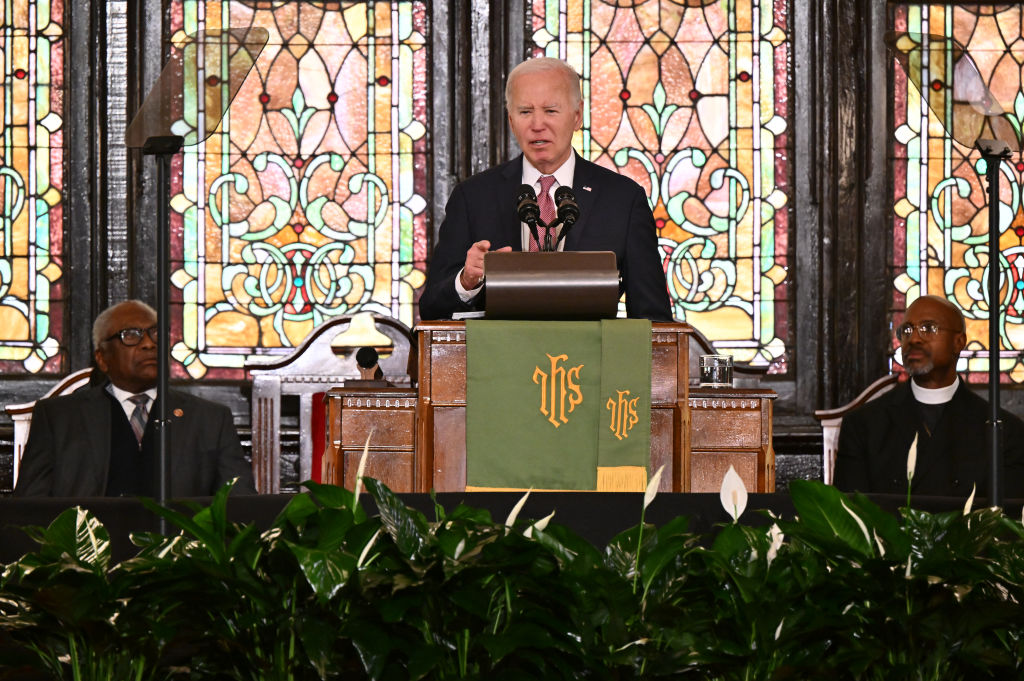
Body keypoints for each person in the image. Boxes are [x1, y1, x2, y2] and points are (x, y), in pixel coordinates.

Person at [418, 57, 672, 321]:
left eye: (551, 110)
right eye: (525, 112)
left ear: (577, 116)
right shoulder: (473, 197)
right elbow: (432, 308)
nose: (537, 124)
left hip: (589, 360)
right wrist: (466, 281)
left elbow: (653, 317)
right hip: (499, 358)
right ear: (511, 120)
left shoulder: (622, 200)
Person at [14, 300, 257, 497]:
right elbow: (30, 511)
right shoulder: (59, 418)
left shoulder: (210, 419)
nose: (149, 345)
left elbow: (240, 506)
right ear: (102, 358)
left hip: (180, 554)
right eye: (131, 336)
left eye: (155, 334)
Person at [833, 295, 1024, 497]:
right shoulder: (863, 426)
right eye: (906, 330)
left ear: (959, 342)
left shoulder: (1004, 431)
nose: (914, 339)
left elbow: (1006, 521)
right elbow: (850, 521)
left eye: (929, 328)